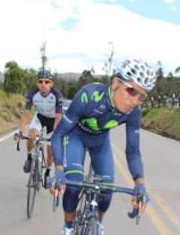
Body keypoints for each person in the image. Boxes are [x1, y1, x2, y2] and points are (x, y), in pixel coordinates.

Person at [49, 59, 157, 235]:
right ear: (116, 83)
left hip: (100, 142)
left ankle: (98, 222)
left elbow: (133, 151)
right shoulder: (88, 95)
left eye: (141, 96)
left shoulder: (134, 112)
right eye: (131, 90)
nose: (134, 100)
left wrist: (140, 183)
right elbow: (59, 134)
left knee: (106, 191)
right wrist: (59, 168)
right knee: (74, 184)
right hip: (76, 136)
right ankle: (68, 226)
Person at [17, 68, 63, 186]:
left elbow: (58, 117)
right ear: (37, 83)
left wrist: (55, 136)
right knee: (31, 134)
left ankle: (47, 171)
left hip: (53, 121)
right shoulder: (33, 94)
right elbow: (26, 114)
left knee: (50, 150)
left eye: (47, 82)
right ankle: (29, 157)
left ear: (51, 84)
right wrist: (20, 132)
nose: (43, 85)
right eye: (40, 81)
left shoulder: (56, 96)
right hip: (40, 117)